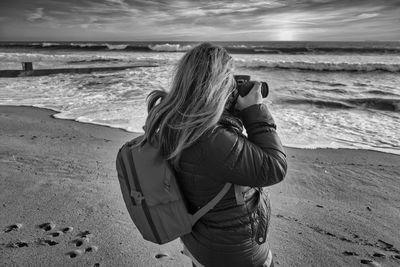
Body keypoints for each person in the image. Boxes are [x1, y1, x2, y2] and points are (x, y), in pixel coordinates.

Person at [141, 42, 287, 267]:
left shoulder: (172, 122)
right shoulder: (212, 139)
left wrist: (227, 114)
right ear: (218, 84)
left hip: (200, 243)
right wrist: (254, 111)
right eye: (228, 78)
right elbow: (274, 167)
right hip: (233, 254)